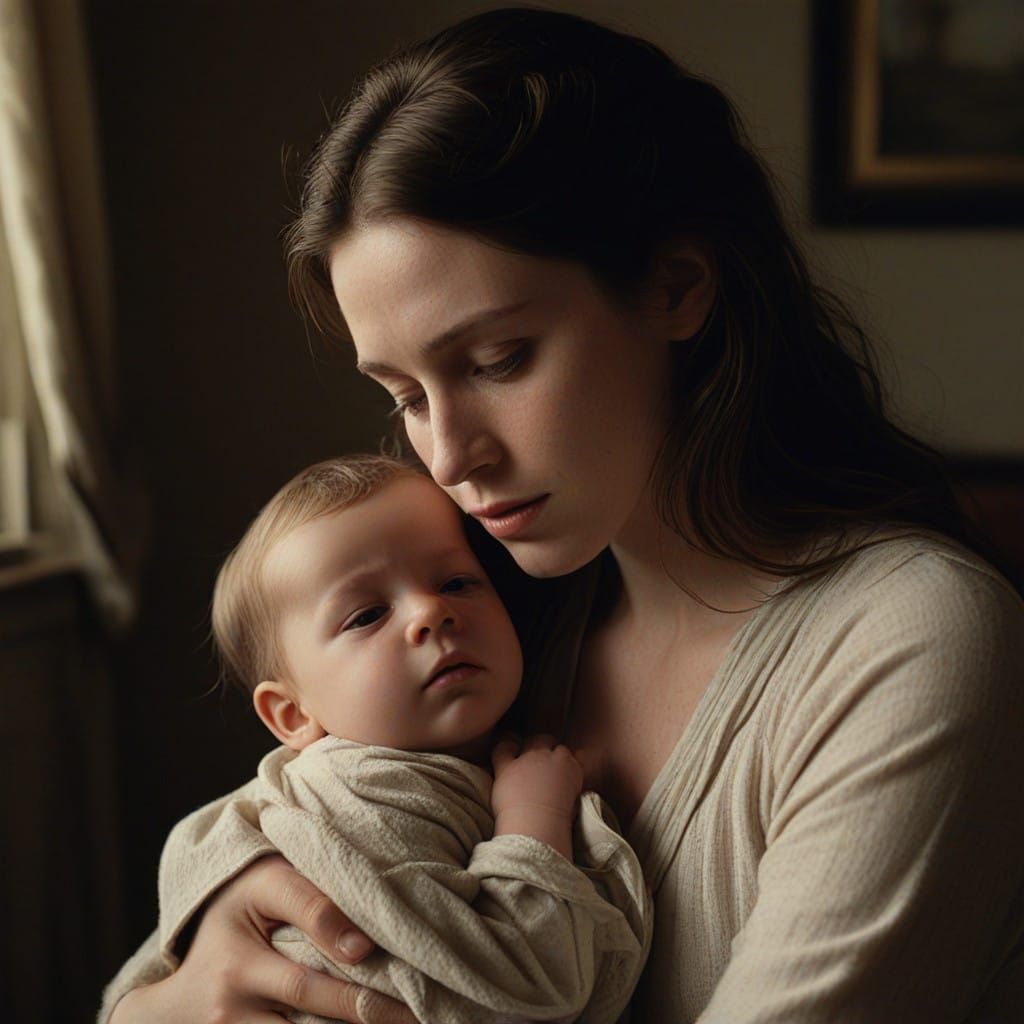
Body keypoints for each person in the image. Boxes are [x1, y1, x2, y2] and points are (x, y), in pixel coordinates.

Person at [104, 7, 1024, 1023]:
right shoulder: (480, 623)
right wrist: (193, 982)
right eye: (404, 396)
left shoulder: (908, 640)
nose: (449, 458)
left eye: (497, 360)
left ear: (675, 287)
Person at [102, 453, 651, 1024]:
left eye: (457, 582)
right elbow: (515, 994)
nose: (431, 612)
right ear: (292, 715)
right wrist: (533, 819)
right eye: (366, 615)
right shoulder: (362, 796)